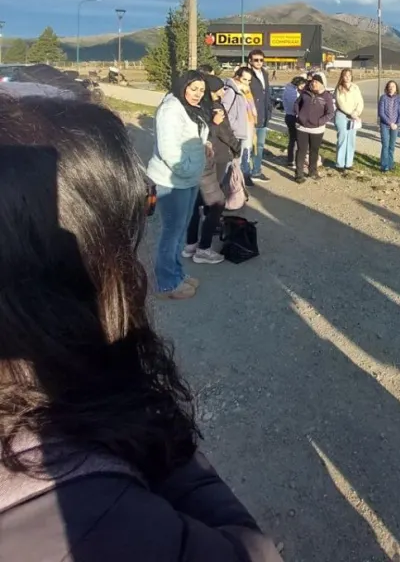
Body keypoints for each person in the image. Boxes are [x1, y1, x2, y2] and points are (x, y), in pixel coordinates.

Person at [0, 91, 282, 562]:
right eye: (121, 234)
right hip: (180, 178)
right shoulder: (96, 517)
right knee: (173, 236)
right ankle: (173, 277)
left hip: (188, 178)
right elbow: (250, 552)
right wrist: (153, 431)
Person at [147, 72, 209, 300]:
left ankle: (176, 274)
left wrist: (205, 145)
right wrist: (188, 169)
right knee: (172, 232)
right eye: (193, 89)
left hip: (189, 178)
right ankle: (166, 284)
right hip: (171, 180)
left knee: (181, 230)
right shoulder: (170, 110)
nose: (197, 94)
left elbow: (194, 136)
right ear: (183, 87)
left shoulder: (191, 108)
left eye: (201, 90)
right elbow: (169, 150)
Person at [183, 75, 241, 265]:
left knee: (195, 202)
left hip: (198, 158)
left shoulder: (197, 107)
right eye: (221, 88)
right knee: (215, 201)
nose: (224, 92)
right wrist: (237, 148)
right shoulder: (216, 108)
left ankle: (190, 243)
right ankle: (204, 248)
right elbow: (225, 133)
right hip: (216, 157)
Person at [294, 74, 334, 184]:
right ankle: (299, 174)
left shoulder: (327, 96)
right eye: (312, 82)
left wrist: (319, 122)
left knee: (314, 151)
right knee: (301, 150)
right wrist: (298, 115)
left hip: (317, 129)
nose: (313, 83)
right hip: (302, 127)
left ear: (322, 84)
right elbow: (297, 104)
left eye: (316, 82)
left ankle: (312, 172)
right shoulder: (305, 93)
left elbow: (330, 113)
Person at [222, 66, 257, 181]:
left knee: (241, 157)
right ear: (237, 77)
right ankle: (230, 183)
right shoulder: (231, 90)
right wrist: (235, 126)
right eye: (244, 79)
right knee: (232, 160)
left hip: (246, 126)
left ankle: (239, 179)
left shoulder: (246, 91)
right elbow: (225, 111)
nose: (247, 82)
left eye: (249, 80)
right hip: (235, 130)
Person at [246, 49, 273, 183]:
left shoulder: (265, 74)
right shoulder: (247, 74)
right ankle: (245, 173)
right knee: (248, 146)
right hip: (250, 116)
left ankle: (256, 171)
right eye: (256, 60)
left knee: (260, 145)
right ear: (250, 61)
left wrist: (269, 110)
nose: (259, 62)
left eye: (261, 60)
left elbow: (267, 94)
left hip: (263, 115)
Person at [334, 68, 364, 173]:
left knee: (351, 140)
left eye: (349, 75)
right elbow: (341, 103)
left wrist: (357, 112)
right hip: (342, 115)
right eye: (345, 75)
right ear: (342, 77)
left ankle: (348, 163)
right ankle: (340, 164)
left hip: (354, 117)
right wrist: (352, 113)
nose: (347, 77)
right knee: (342, 139)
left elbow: (360, 102)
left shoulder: (356, 87)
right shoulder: (339, 88)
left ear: (351, 76)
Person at [378, 80, 400, 172]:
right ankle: (384, 166)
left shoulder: (399, 99)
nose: (391, 88)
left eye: (393, 86)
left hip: (395, 126)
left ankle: (390, 164)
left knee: (391, 146)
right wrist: (390, 123)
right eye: (390, 86)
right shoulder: (383, 98)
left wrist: (397, 124)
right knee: (385, 145)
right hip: (385, 125)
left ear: (396, 88)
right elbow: (381, 113)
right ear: (387, 88)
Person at [282, 76, 306, 168]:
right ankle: (295, 160)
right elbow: (295, 106)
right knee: (297, 139)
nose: (303, 87)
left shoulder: (287, 89)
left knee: (292, 139)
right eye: (303, 85)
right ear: (298, 84)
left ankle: (290, 160)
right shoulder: (293, 92)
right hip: (294, 117)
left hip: (288, 116)